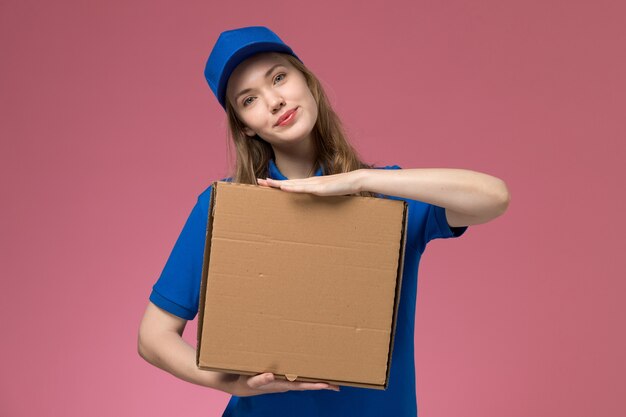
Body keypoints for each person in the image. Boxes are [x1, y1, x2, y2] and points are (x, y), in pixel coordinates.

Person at [138, 26, 510, 417]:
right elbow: (153, 337)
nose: (275, 101)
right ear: (245, 124)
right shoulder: (227, 209)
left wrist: (359, 179)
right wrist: (231, 384)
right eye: (250, 100)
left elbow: (493, 197)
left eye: (279, 78)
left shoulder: (385, 197)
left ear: (307, 81)